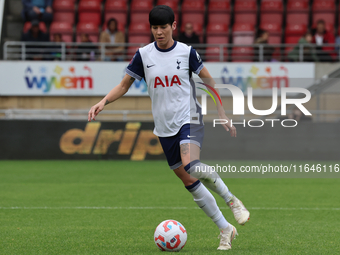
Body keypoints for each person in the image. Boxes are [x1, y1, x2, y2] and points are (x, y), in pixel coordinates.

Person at [88, 5, 249, 251]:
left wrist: (222, 113)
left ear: (173, 26)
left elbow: (208, 81)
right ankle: (225, 228)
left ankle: (232, 200)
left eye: (163, 27)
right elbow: (124, 85)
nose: (159, 32)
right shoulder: (143, 55)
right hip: (164, 128)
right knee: (188, 180)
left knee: (191, 164)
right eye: (155, 28)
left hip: (189, 118)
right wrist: (103, 101)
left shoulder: (186, 53)